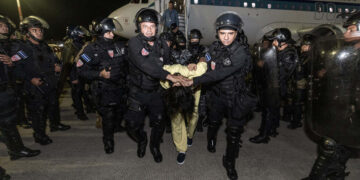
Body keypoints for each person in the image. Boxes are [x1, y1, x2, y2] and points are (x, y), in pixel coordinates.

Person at [179, 12, 253, 180]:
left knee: (234, 133)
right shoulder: (214, 46)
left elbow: (218, 74)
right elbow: (207, 56)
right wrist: (200, 61)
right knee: (213, 122)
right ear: (218, 33)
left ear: (236, 33)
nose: (226, 38)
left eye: (230, 34)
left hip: (235, 96)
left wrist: (195, 81)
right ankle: (211, 139)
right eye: (222, 33)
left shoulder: (240, 52)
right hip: (217, 95)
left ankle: (229, 162)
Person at [303, 12, 360, 180]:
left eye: (350, 30)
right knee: (336, 147)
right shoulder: (350, 53)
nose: (345, 34)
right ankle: (336, 172)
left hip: (354, 109)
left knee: (331, 145)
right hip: (343, 107)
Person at [125, 8, 184, 163]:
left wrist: (184, 69)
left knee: (159, 123)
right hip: (137, 92)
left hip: (156, 92)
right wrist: (168, 76)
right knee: (131, 125)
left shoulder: (163, 44)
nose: (149, 30)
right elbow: (146, 65)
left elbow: (169, 63)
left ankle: (154, 146)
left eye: (152, 26)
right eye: (145, 26)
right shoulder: (134, 43)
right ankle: (142, 139)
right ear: (139, 27)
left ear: (157, 27)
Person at [79, 18, 128, 154]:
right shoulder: (91, 49)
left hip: (119, 87)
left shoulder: (119, 46)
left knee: (119, 112)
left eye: (112, 32)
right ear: (101, 34)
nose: (112, 35)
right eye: (109, 33)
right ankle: (108, 141)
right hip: (103, 89)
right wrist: (99, 74)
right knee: (108, 117)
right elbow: (81, 70)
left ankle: (117, 126)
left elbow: (127, 64)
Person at [19, 16, 70, 145]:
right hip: (35, 87)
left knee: (53, 105)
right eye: (35, 30)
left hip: (49, 82)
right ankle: (39, 135)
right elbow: (16, 68)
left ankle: (55, 124)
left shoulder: (45, 46)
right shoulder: (23, 49)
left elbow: (54, 59)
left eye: (40, 30)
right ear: (27, 32)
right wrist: (30, 79)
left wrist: (57, 66)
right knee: (38, 112)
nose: (39, 33)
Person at [0, 14, 40, 160]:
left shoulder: (7, 45)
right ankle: (16, 150)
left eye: (5, 25)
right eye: (0, 26)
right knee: (7, 123)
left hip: (6, 89)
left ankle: (15, 150)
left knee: (9, 123)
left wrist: (11, 62)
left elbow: (24, 55)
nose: (4, 28)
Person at [249, 28, 298, 144]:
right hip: (272, 86)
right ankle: (271, 129)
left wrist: (267, 66)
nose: (273, 43)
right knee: (272, 110)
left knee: (268, 111)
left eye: (275, 40)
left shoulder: (289, 54)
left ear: (282, 40)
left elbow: (281, 73)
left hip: (277, 87)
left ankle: (263, 135)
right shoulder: (278, 52)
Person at [161, 55, 207, 165]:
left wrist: (197, 63)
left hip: (193, 91)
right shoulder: (165, 76)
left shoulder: (196, 73)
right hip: (174, 97)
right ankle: (181, 148)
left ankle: (190, 135)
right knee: (176, 120)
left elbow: (203, 59)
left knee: (193, 115)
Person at [62, 25, 90, 120]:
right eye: (80, 34)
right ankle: (80, 113)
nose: (82, 35)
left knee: (83, 92)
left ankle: (88, 107)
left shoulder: (79, 43)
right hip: (76, 74)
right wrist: (73, 77)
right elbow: (69, 64)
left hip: (82, 73)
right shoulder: (70, 46)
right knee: (77, 94)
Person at [288, 34, 314, 129]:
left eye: (305, 45)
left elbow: (310, 72)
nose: (303, 46)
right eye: (303, 44)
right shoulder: (302, 56)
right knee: (295, 102)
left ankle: (296, 122)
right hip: (297, 82)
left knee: (298, 104)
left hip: (302, 84)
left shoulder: (310, 58)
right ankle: (294, 119)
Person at [187, 29, 208, 132]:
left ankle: (199, 122)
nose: (194, 41)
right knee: (189, 103)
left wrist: (202, 59)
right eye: (193, 39)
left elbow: (207, 59)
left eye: (196, 39)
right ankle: (190, 122)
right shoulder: (186, 50)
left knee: (202, 103)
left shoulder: (204, 49)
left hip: (201, 80)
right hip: (189, 79)